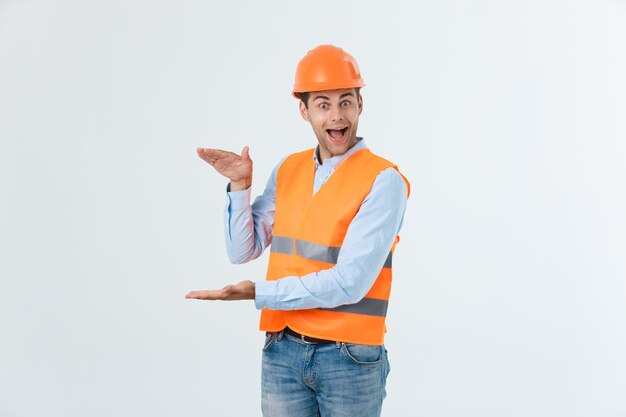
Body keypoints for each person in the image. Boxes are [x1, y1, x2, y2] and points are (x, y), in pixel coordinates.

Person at [186, 44, 410, 417]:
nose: (337, 117)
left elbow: (349, 283)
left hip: (348, 356)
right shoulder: (289, 169)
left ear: (360, 104)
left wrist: (259, 292)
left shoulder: (383, 180)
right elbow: (243, 250)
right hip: (283, 352)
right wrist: (240, 188)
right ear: (303, 110)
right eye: (323, 104)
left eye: (346, 102)